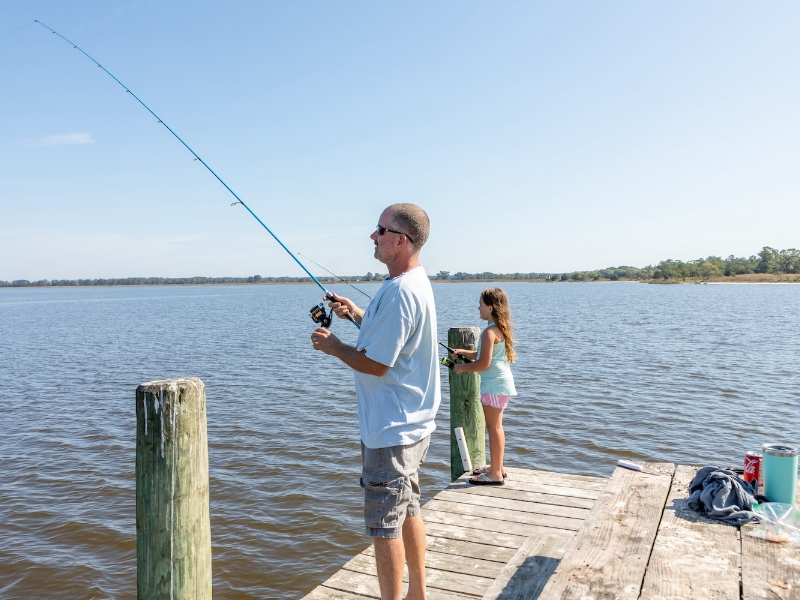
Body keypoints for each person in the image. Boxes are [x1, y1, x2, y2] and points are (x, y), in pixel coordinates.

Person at [311, 203, 439, 600]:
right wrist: (355, 314)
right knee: (409, 510)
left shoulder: (401, 292)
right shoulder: (411, 282)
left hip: (391, 431)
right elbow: (390, 335)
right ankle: (417, 593)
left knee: (384, 526)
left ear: (401, 241)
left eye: (380, 230)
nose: (373, 235)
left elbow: (378, 364)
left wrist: (335, 348)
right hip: (411, 425)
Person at [449, 288, 517, 485]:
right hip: (499, 384)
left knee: (494, 428)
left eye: (480, 304)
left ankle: (495, 474)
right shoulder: (497, 329)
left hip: (494, 385)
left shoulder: (488, 332)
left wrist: (461, 368)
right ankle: (498, 467)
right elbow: (484, 356)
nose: (478, 307)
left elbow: (483, 364)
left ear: (490, 307)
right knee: (496, 427)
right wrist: (465, 352)